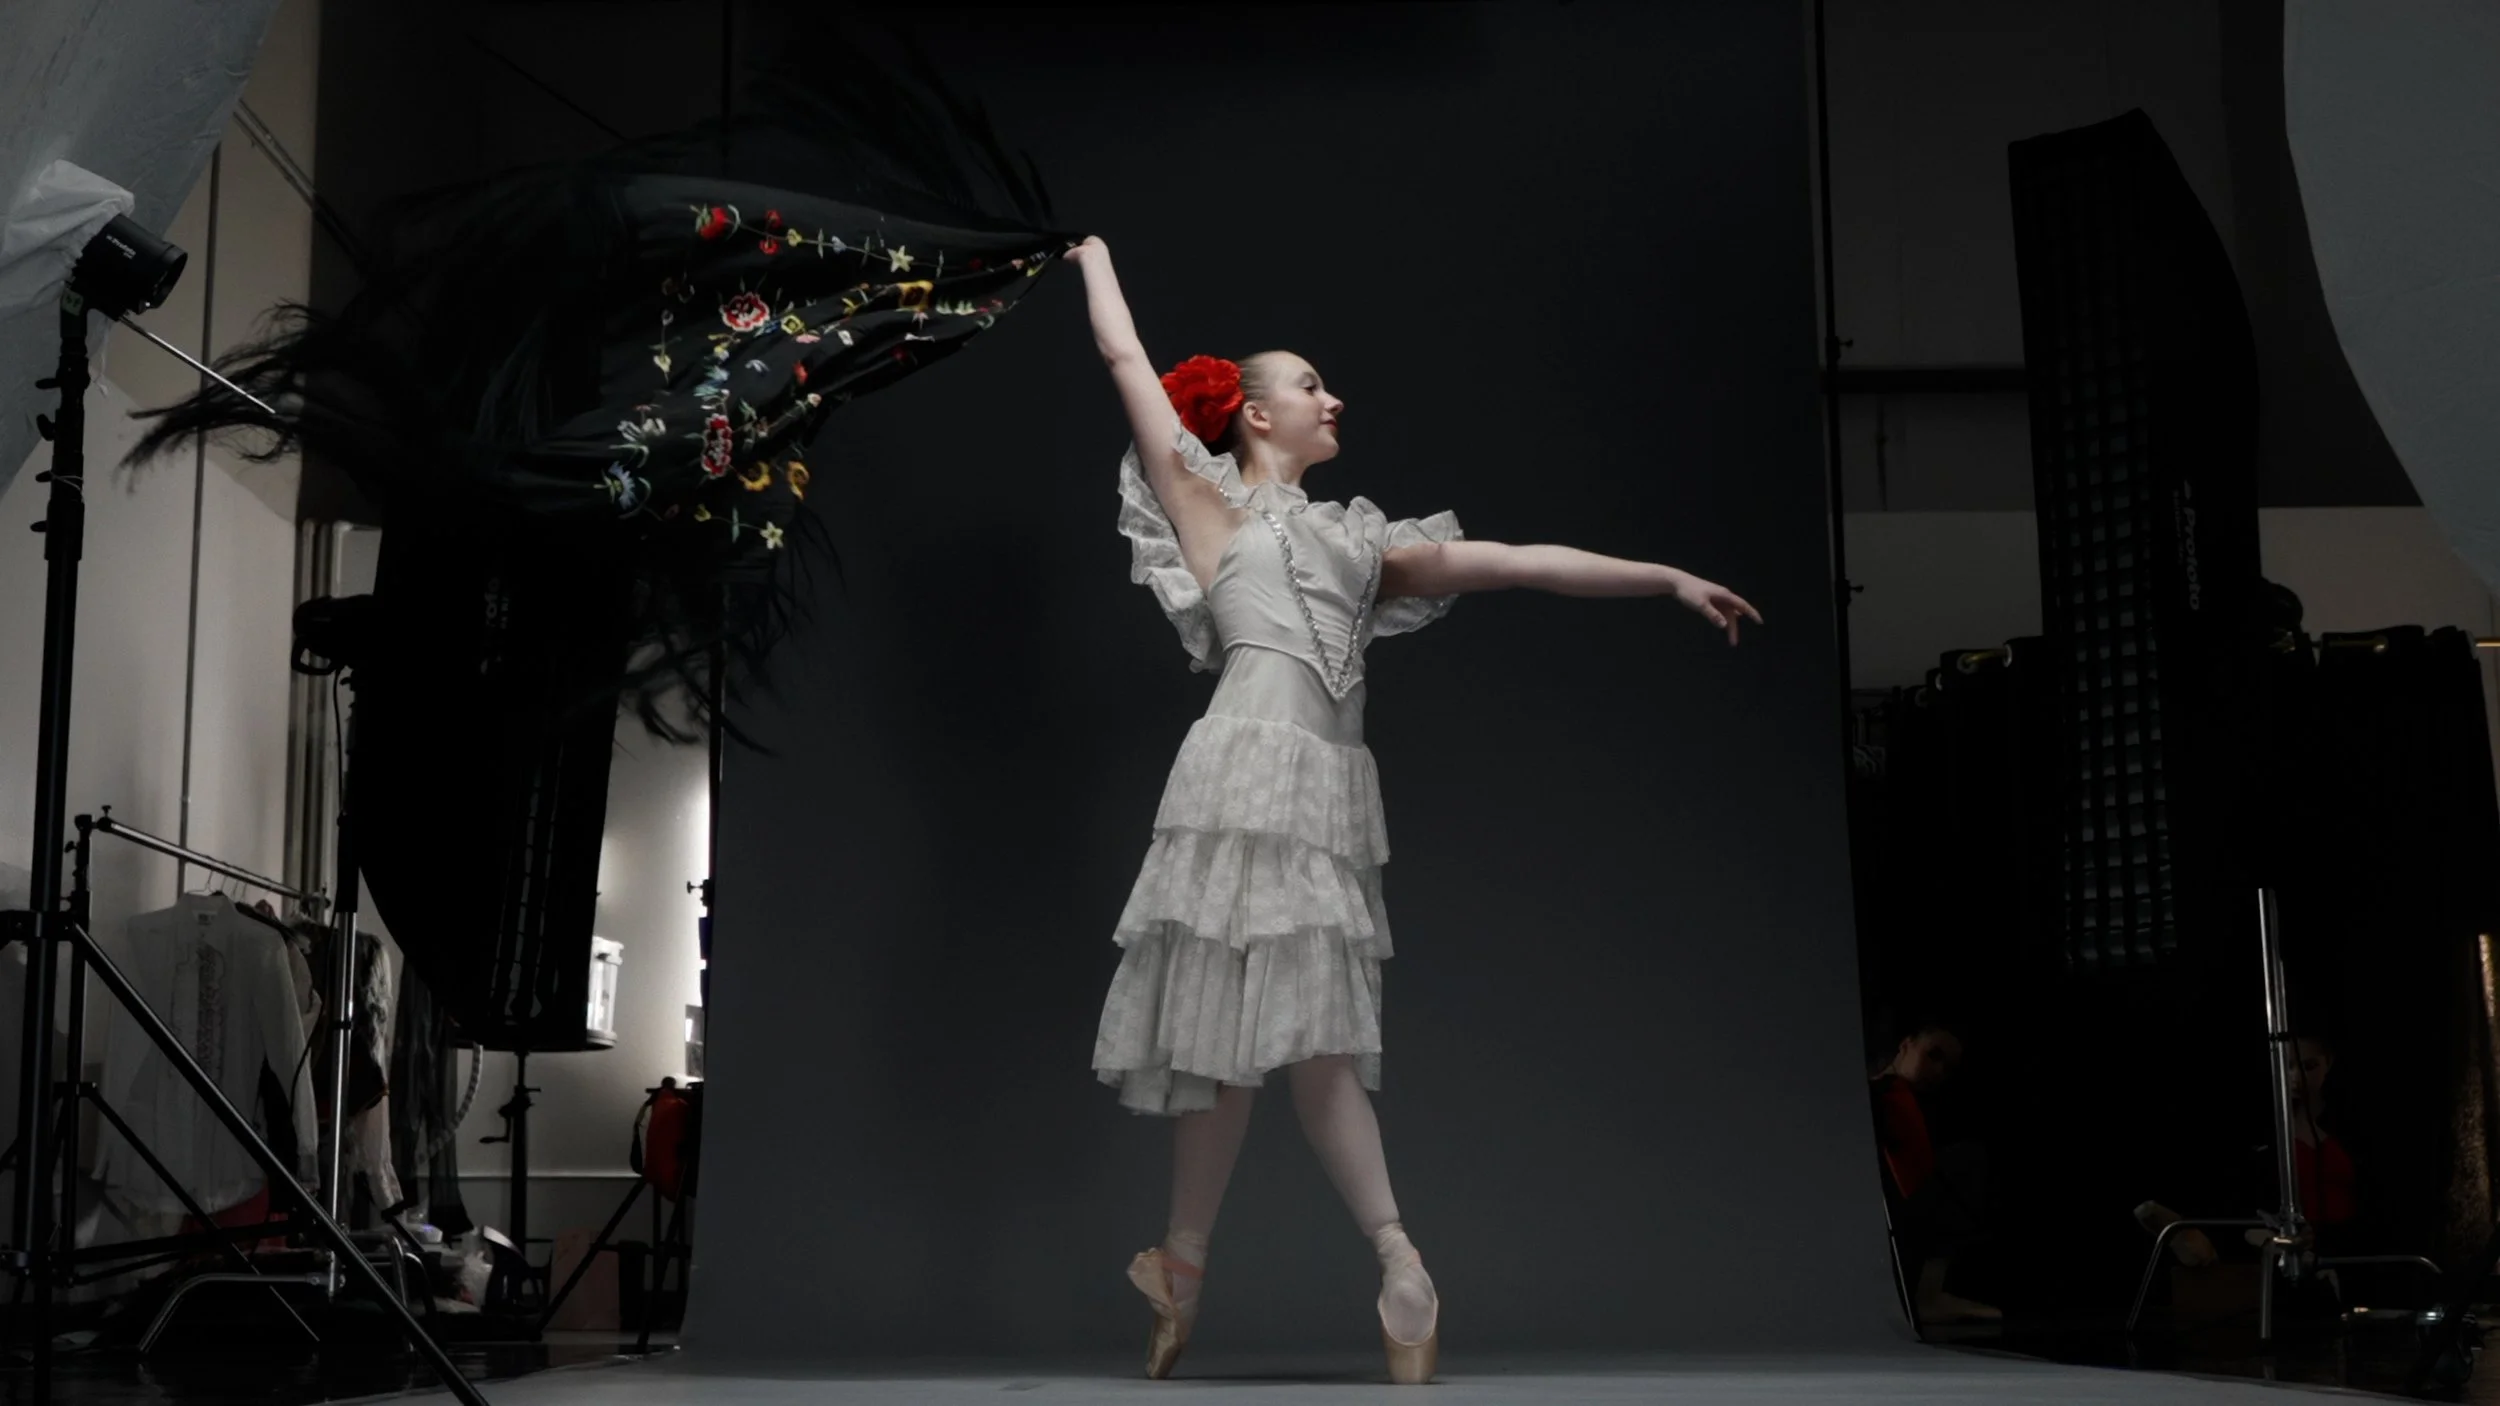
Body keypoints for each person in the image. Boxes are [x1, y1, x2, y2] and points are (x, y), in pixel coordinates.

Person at [1067, 235, 1762, 1384]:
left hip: (1305, 792)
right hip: (1251, 779)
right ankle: (1253, 1262)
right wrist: (1088, 252)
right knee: (1239, 1043)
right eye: (1308, 384)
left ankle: (1344, 1257)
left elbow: (1519, 558)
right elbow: (1120, 350)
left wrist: (1661, 575)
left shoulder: (1362, 541)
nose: (1332, 397)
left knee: (1290, 1042)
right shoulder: (1205, 506)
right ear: (1249, 414)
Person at [1870, 1017, 2002, 1325]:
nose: (1939, 1071)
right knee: (1969, 1158)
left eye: (1948, 1067)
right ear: (1906, 1045)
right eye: (1933, 1054)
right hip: (1901, 1209)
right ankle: (1927, 1294)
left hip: (1916, 1209)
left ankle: (1929, 1292)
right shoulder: (1884, 1093)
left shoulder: (1906, 1098)